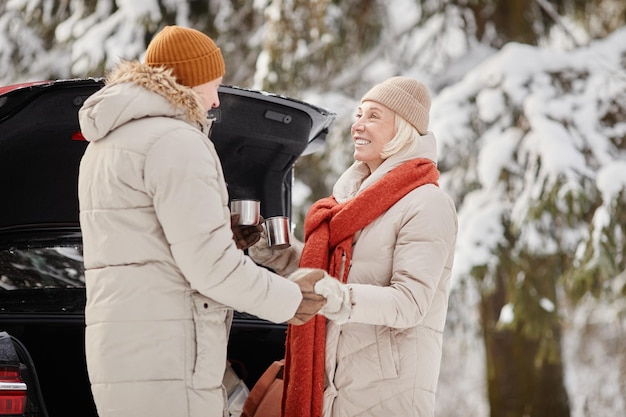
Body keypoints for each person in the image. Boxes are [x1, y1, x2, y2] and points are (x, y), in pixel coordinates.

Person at [77, 25, 326, 417]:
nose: (214, 100)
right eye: (213, 85)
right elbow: (210, 269)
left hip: (123, 353)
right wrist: (290, 299)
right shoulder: (176, 141)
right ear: (188, 80)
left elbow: (144, 241)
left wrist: (219, 230)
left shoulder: (104, 145)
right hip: (170, 359)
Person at [249, 76, 458, 417]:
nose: (357, 125)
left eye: (373, 116)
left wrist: (341, 298)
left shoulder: (426, 203)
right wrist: (281, 255)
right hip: (336, 385)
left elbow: (410, 304)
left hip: (385, 393)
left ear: (403, 128)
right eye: (358, 114)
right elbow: (337, 273)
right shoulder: (352, 202)